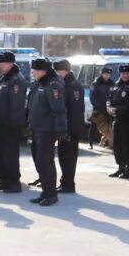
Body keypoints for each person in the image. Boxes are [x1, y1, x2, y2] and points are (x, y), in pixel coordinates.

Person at [27, 58, 68, 206]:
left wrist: (61, 130)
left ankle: (51, 195)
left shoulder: (52, 85)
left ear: (42, 71)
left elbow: (59, 110)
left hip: (47, 130)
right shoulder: (39, 84)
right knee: (40, 162)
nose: (33, 73)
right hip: (37, 129)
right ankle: (45, 192)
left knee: (46, 162)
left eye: (35, 71)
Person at [0, 51, 26, 193]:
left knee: (9, 155)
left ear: (10, 63)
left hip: (9, 125)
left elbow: (16, 105)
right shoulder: (3, 78)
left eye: (1, 64)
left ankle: (13, 182)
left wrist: (12, 123)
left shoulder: (16, 80)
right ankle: (3, 179)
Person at [52, 60, 85, 193]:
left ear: (65, 71)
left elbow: (75, 111)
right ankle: (64, 182)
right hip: (64, 128)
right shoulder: (63, 84)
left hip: (71, 129)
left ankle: (69, 184)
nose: (57, 74)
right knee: (63, 157)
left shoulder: (74, 86)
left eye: (59, 71)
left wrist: (70, 131)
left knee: (69, 159)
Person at [107, 64, 129, 179]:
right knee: (117, 145)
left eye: (127, 73)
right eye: (123, 73)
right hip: (117, 119)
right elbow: (109, 98)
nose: (125, 75)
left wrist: (117, 110)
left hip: (127, 120)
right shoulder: (117, 84)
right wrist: (109, 107)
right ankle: (120, 167)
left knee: (127, 145)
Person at [89, 67, 114, 148]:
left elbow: (113, 96)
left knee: (108, 127)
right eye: (105, 74)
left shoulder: (112, 83)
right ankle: (91, 143)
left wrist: (110, 106)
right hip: (98, 108)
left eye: (108, 74)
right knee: (94, 125)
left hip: (107, 108)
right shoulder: (96, 83)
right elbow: (92, 97)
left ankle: (108, 143)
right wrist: (97, 107)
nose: (106, 76)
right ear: (101, 73)